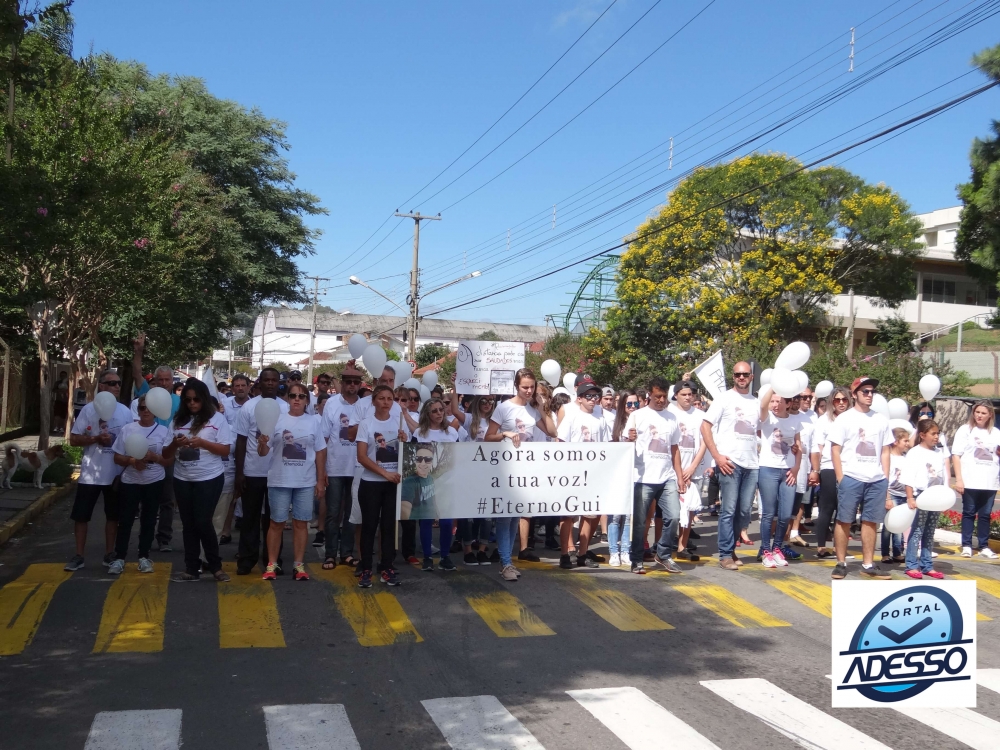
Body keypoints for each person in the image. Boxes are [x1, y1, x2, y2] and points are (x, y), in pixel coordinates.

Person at [485, 368, 557, 581]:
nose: (528, 390)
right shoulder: (503, 408)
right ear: (517, 386)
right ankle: (506, 562)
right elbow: (488, 437)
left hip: (526, 469)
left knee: (515, 516)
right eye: (525, 386)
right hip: (506, 469)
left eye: (532, 387)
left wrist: (543, 408)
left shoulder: (533, 410)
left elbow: (553, 432)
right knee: (504, 517)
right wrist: (504, 434)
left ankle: (507, 560)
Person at [64, 370, 134, 571]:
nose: (117, 387)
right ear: (101, 386)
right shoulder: (88, 410)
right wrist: (95, 438)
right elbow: (74, 439)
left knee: (113, 516)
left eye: (119, 383)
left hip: (115, 474)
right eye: (112, 383)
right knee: (81, 516)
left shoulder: (125, 412)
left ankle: (109, 553)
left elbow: (131, 440)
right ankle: (79, 555)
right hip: (90, 475)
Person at [257, 381, 327, 581]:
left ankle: (299, 565)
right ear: (287, 399)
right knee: (276, 523)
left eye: (301, 396)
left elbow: (321, 451)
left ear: (307, 400)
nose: (297, 399)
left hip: (305, 481)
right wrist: (261, 444)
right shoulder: (276, 420)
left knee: (300, 523)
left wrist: (320, 481)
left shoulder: (314, 422)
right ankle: (272, 564)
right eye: (293, 395)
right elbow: (263, 453)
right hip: (279, 480)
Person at [828, 377, 894, 579]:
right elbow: (835, 450)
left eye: (871, 391)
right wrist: (841, 478)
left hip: (876, 479)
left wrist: (885, 478)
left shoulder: (881, 419)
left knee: (871, 522)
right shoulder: (845, 419)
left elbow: (885, 451)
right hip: (852, 477)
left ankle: (868, 564)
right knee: (844, 520)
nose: (869, 395)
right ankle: (841, 562)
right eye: (865, 391)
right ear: (854, 394)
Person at [171, 378, 232, 582]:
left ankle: (215, 566)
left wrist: (203, 443)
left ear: (204, 399)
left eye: (196, 399)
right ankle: (191, 567)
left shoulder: (217, 419)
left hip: (209, 478)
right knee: (188, 524)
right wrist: (175, 444)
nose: (192, 403)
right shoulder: (178, 420)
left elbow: (225, 449)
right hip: (182, 478)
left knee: (203, 521)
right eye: (188, 400)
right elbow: (166, 452)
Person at [700, 362, 759, 571]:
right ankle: (725, 554)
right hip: (730, 464)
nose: (741, 377)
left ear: (751, 377)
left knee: (744, 512)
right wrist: (717, 457)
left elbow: (759, 432)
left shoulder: (755, 402)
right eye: (737, 374)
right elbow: (705, 426)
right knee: (729, 509)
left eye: (745, 374)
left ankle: (732, 548)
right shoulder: (724, 399)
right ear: (733, 377)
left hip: (752, 465)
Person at [626, 376, 687, 575]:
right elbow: (626, 445)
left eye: (664, 397)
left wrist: (679, 476)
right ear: (649, 395)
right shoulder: (638, 416)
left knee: (674, 516)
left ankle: (663, 554)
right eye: (657, 396)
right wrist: (629, 439)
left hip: (667, 476)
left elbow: (675, 449)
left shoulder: (672, 418)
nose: (661, 400)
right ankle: (636, 559)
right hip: (643, 477)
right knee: (640, 522)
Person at [234, 368, 290, 575]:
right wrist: (240, 473)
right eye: (266, 380)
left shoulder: (286, 408)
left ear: (278, 383)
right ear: (259, 383)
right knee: (250, 517)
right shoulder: (248, 407)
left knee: (275, 519)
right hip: (253, 471)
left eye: (273, 380)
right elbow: (240, 440)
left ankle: (272, 559)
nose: (269, 384)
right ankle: (247, 559)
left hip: (278, 472)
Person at [109, 395, 172, 574]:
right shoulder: (128, 429)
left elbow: (168, 460)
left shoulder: (163, 431)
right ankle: (119, 557)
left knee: (149, 520)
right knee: (126, 520)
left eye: (149, 408)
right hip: (130, 481)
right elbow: (116, 456)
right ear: (138, 411)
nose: (146, 411)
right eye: (142, 408)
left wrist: (155, 457)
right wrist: (131, 461)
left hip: (154, 481)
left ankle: (144, 557)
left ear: (155, 411)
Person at [131, 335, 182, 553]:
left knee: (167, 500)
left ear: (172, 381)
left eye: (167, 379)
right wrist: (138, 351)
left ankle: (164, 539)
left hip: (169, 454)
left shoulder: (180, 401)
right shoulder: (147, 395)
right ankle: (146, 537)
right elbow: (136, 373)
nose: (163, 383)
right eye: (159, 379)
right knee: (146, 499)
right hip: (147, 451)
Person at [356, 384, 409, 588]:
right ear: (374, 401)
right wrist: (384, 473)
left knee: (389, 528)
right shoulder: (366, 424)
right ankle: (366, 568)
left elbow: (405, 456)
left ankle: (386, 567)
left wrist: (404, 442)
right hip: (371, 484)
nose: (386, 403)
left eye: (389, 399)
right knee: (369, 527)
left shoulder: (399, 423)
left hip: (392, 485)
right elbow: (361, 456)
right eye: (382, 398)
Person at [556, 376, 610, 569]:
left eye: (596, 395)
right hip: (572, 472)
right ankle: (564, 554)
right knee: (568, 514)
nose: (593, 399)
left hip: (593, 472)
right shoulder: (571, 416)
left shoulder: (601, 417)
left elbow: (605, 446)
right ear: (579, 398)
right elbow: (560, 443)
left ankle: (582, 553)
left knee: (590, 513)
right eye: (588, 396)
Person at [407, 397, 462, 572]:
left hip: (448, 482)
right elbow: (412, 458)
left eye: (441, 409)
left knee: (446, 522)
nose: (439, 413)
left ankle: (445, 556)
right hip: (425, 482)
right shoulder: (419, 434)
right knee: (426, 520)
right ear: (427, 414)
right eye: (434, 411)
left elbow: (458, 456)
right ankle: (428, 558)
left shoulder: (452, 433)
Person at [318, 364, 364, 570]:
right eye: (348, 382)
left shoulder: (364, 405)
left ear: (360, 384)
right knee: (333, 512)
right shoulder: (332, 404)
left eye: (356, 382)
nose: (352, 386)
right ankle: (330, 554)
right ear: (342, 383)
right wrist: (322, 470)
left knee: (351, 514)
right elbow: (324, 438)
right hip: (335, 466)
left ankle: (346, 553)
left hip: (357, 467)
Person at [755, 385, 802, 568]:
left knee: (784, 514)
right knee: (768, 513)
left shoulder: (794, 422)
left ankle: (777, 548)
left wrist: (796, 468)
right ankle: (766, 550)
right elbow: (762, 406)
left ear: (788, 403)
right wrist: (775, 385)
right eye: (773, 401)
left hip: (788, 471)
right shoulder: (768, 419)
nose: (775, 404)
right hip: (768, 469)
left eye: (779, 401)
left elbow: (799, 447)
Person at [449, 387, 497, 565]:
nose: (487, 404)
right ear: (477, 402)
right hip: (469, 470)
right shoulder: (469, 419)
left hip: (489, 471)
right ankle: (468, 550)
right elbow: (454, 410)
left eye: (490, 401)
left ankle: (482, 550)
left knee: (487, 514)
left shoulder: (496, 421)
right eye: (483, 400)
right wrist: (456, 388)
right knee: (467, 514)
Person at [951, 399, 1000, 559]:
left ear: (990, 415)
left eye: (983, 413)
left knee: (985, 514)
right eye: (977, 412)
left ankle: (984, 546)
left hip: (990, 481)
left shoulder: (996, 433)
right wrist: (959, 479)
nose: (979, 415)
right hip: (970, 479)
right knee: (969, 512)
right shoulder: (965, 430)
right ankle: (966, 545)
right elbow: (956, 455)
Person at [903, 419, 950, 579]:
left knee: (929, 532)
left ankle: (927, 565)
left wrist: (944, 495)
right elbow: (908, 477)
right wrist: (910, 497)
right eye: (933, 433)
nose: (936, 437)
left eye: (938, 433)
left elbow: (942, 475)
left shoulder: (939, 452)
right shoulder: (914, 453)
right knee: (917, 530)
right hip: (921, 496)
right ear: (922, 435)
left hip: (935, 497)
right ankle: (911, 564)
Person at [668, 380, 707, 563]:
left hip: (694, 470)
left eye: (690, 394)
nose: (687, 397)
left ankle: (683, 545)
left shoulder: (700, 415)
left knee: (689, 510)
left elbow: (705, 443)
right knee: (671, 511)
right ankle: (666, 544)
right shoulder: (669, 413)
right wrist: (679, 471)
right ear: (676, 395)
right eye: (683, 394)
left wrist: (692, 468)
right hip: (672, 469)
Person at [810, 386, 850, 558]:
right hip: (829, 467)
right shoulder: (824, 421)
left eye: (844, 400)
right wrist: (816, 470)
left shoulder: (852, 419)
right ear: (831, 402)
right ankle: (821, 546)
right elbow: (818, 447)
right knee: (827, 507)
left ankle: (839, 547)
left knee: (844, 509)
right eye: (837, 400)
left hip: (849, 467)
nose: (841, 403)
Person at [218, 374, 252, 545]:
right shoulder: (224, 407)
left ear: (248, 387)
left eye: (243, 385)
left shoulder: (255, 405)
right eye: (237, 386)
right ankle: (225, 531)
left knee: (249, 499)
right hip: (230, 457)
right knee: (229, 497)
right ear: (232, 389)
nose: (240, 388)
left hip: (252, 455)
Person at [608, 390, 639, 567]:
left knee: (628, 516)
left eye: (636, 404)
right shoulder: (615, 423)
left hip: (634, 474)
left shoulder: (642, 420)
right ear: (622, 406)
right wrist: (627, 441)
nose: (633, 407)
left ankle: (626, 550)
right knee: (615, 516)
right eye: (629, 404)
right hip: (617, 475)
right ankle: (614, 551)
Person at [881, 426, 911, 564]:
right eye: (905, 440)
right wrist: (887, 497)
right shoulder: (889, 458)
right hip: (891, 493)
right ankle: (885, 553)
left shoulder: (906, 458)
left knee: (899, 524)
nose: (907, 443)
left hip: (903, 494)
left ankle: (898, 552)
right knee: (889, 525)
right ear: (895, 441)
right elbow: (885, 478)